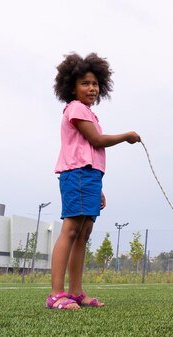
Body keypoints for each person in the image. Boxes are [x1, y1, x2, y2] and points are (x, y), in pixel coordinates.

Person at [47, 53, 140, 310]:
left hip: (88, 176)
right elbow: (97, 142)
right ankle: (56, 294)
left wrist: (98, 186)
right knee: (71, 229)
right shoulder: (76, 108)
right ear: (72, 87)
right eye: (85, 83)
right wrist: (126, 136)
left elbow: (90, 152)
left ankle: (76, 292)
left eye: (95, 84)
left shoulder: (88, 113)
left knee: (83, 233)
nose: (92, 88)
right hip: (76, 174)